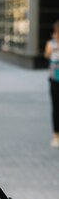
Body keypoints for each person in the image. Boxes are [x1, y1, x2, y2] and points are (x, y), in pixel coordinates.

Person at [44, 20, 59, 148]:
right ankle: (55, 135)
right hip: (54, 80)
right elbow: (46, 55)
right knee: (55, 107)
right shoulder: (51, 44)